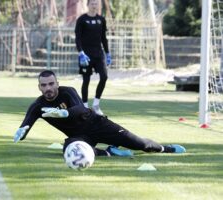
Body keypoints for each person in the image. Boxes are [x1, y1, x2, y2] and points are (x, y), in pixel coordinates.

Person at [13, 70, 186, 157]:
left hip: (97, 124)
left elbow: (81, 109)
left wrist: (64, 114)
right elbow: (25, 125)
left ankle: (167, 149)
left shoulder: (68, 92)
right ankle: (109, 153)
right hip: (80, 136)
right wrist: (21, 132)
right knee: (70, 149)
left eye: (51, 84)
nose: (48, 88)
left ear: (57, 84)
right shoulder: (38, 106)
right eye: (44, 85)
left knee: (140, 144)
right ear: (39, 87)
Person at [75, 0, 111, 115]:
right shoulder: (81, 20)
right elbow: (78, 38)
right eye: (92, 3)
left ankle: (96, 104)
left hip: (98, 55)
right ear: (88, 5)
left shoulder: (101, 20)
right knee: (86, 80)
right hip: (86, 56)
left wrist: (107, 53)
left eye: (96, 3)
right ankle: (85, 107)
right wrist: (81, 53)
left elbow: (103, 38)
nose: (94, 5)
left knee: (104, 77)